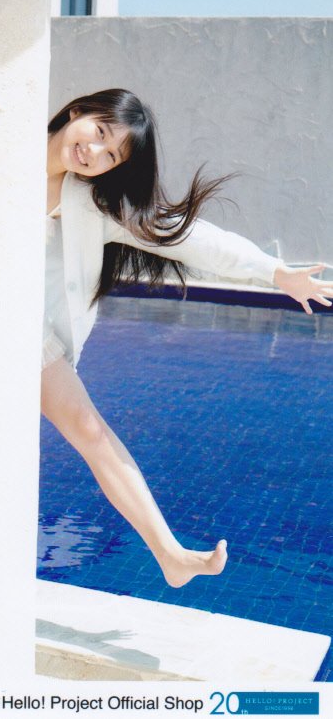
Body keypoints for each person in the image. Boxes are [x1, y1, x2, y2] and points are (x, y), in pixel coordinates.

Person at [41, 88, 332, 588]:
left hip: (27, 335)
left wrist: (275, 271)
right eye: (100, 132)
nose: (95, 151)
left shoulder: (92, 206)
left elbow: (188, 236)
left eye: (111, 156)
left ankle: (170, 555)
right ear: (77, 112)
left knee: (89, 430)